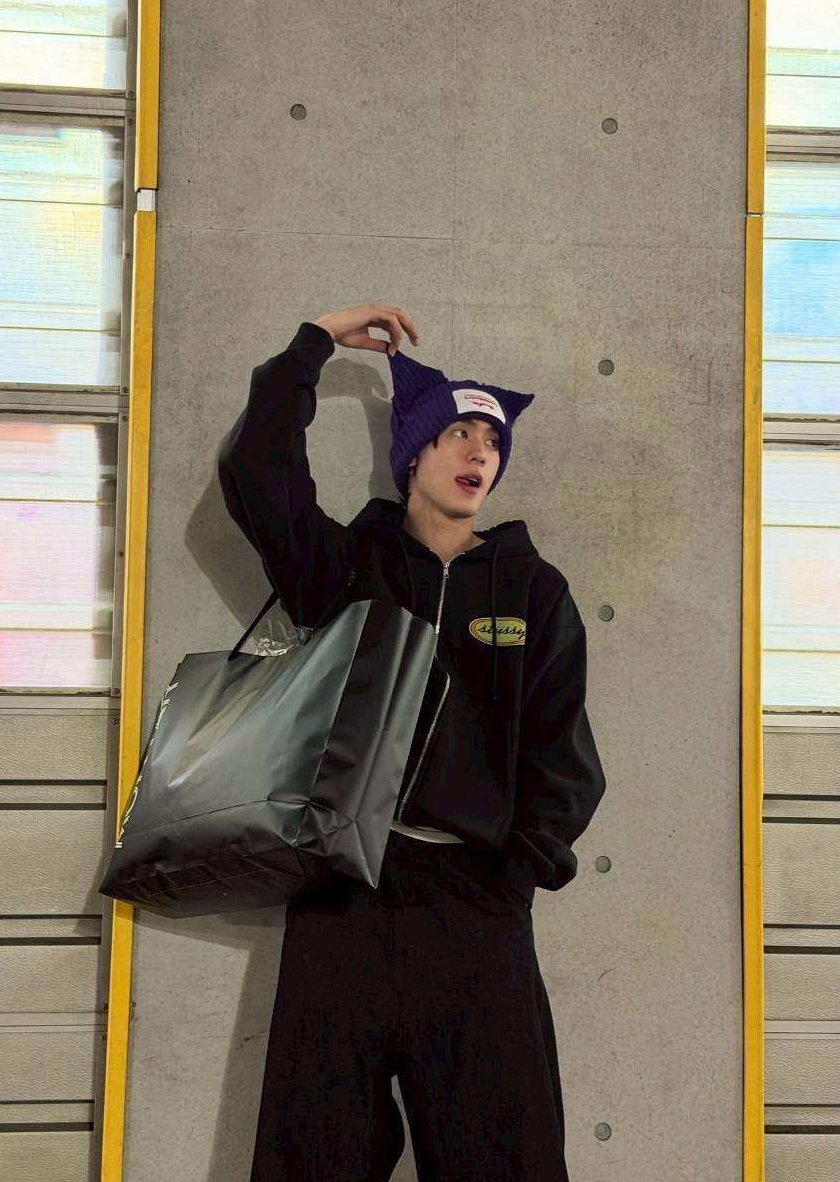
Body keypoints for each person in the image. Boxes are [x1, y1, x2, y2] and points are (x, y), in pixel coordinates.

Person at [217, 301, 606, 1181]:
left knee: (504, 1159)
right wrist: (315, 342)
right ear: (414, 454)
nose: (480, 453)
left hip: (475, 907)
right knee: (312, 1158)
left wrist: (513, 873)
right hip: (344, 898)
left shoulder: (533, 590)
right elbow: (255, 471)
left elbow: (564, 753)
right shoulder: (347, 569)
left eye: (493, 442)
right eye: (460, 432)